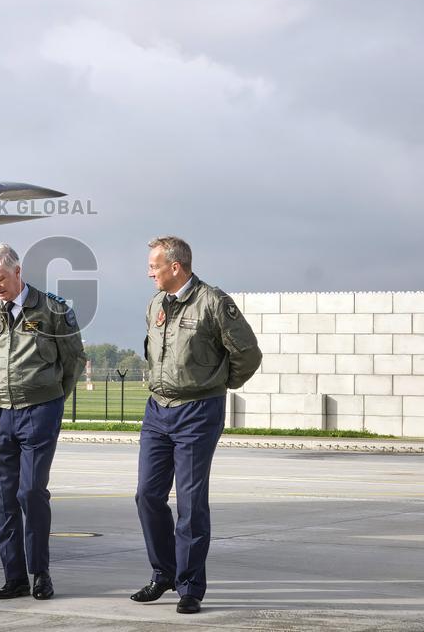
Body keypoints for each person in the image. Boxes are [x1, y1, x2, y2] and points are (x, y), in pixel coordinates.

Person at [132, 236, 262, 614]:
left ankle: (190, 587)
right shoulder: (156, 303)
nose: (149, 272)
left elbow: (248, 353)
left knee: (190, 502)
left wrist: (219, 383)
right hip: (158, 410)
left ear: (176, 267)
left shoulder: (213, 302)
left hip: (197, 410)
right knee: (147, 495)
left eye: (154, 265)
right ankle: (163, 573)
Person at [0, 243, 86, 601]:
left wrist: (53, 399)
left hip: (40, 410)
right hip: (1, 413)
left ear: (18, 272)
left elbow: (73, 361)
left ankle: (40, 573)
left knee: (31, 492)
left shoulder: (53, 310)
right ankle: (15, 577)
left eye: (1, 278)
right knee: (5, 497)